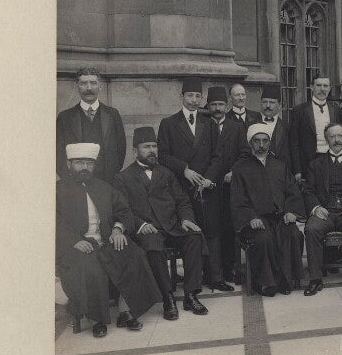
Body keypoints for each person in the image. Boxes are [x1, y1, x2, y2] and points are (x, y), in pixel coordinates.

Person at [57, 143, 162, 337]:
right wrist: (73, 240)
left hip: (106, 240)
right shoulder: (58, 190)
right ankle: (97, 319)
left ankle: (125, 310)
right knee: (92, 267)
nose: (85, 168)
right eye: (79, 163)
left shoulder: (104, 187)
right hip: (77, 245)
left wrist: (118, 229)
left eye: (89, 163)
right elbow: (53, 220)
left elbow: (123, 210)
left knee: (134, 255)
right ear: (69, 164)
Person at [113, 127, 209, 319]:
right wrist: (140, 224)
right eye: (146, 147)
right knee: (153, 246)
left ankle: (191, 295)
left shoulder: (166, 173)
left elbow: (182, 200)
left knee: (194, 237)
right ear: (135, 151)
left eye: (154, 146)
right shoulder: (122, 177)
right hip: (147, 229)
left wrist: (186, 219)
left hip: (173, 226)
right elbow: (122, 210)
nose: (152, 151)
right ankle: (168, 299)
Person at [157, 76, 227, 291]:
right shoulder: (169, 123)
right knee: (191, 233)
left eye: (198, 96)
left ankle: (215, 277)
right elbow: (163, 156)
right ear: (182, 97)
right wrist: (184, 170)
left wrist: (208, 178)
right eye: (190, 95)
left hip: (205, 187)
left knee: (212, 231)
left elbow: (218, 156)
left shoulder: (209, 123)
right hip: (181, 188)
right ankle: (193, 281)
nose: (194, 100)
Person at [231, 124, 306, 296]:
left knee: (293, 234)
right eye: (257, 141)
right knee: (264, 238)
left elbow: (292, 192)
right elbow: (237, 200)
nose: (261, 145)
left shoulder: (280, 165)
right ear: (250, 143)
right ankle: (266, 282)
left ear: (270, 143)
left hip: (280, 217)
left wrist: (291, 211)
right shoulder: (240, 168)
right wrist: (251, 217)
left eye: (265, 141)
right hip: (256, 219)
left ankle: (286, 279)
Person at [302, 122, 342, 296]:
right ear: (326, 139)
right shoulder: (315, 164)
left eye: (340, 136)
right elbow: (308, 190)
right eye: (332, 136)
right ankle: (315, 279)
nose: (336, 140)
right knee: (311, 229)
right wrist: (316, 207)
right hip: (325, 211)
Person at [208, 86, 249, 286]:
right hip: (208, 187)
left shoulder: (237, 128)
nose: (217, 108)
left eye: (221, 104)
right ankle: (212, 272)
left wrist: (234, 171)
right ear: (208, 106)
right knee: (212, 229)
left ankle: (232, 268)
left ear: (227, 105)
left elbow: (244, 154)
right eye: (214, 104)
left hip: (230, 187)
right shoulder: (203, 125)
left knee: (230, 227)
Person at [56, 66, 126, 184]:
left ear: (100, 86)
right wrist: (70, 180)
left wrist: (110, 178)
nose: (89, 88)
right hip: (75, 184)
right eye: (83, 83)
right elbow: (57, 154)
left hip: (107, 183)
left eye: (93, 83)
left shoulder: (112, 114)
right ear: (77, 86)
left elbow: (120, 150)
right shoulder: (65, 117)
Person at [290, 73, 342, 184]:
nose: (322, 89)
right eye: (319, 85)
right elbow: (294, 142)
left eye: (325, 86)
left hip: (331, 159)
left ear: (330, 88)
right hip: (308, 161)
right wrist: (297, 169)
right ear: (311, 87)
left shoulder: (336, 110)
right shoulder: (299, 110)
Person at [257, 83, 292, 166]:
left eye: (272, 102)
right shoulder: (250, 125)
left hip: (280, 173)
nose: (268, 106)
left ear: (279, 105)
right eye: (265, 102)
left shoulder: (287, 128)